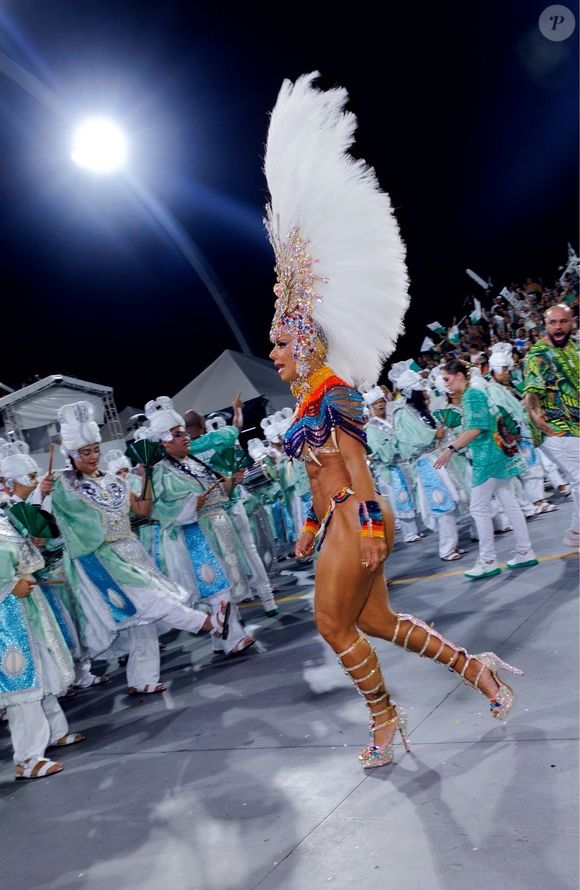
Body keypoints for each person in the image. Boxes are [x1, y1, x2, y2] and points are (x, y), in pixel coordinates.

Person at [265, 72, 523, 770]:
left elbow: (356, 469)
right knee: (376, 622)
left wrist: (368, 531)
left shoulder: (335, 392)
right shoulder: (306, 401)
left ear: (307, 342)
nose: (273, 350)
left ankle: (385, 720)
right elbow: (317, 475)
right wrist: (311, 527)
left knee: (330, 623)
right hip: (337, 524)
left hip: (359, 516)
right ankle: (480, 672)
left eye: (281, 341)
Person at [42, 400, 231, 695]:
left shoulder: (113, 482)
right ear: (71, 455)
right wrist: (41, 496)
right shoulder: (62, 485)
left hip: (131, 554)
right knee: (155, 601)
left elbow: (142, 509)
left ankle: (141, 679)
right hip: (101, 560)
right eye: (85, 452)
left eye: (95, 450)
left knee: (141, 620)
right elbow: (47, 523)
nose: (93, 457)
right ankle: (209, 623)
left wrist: (148, 478)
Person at [148, 397, 255, 656]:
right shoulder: (162, 472)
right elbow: (163, 509)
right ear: (164, 441)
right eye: (177, 435)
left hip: (216, 528)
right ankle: (232, 638)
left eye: (184, 433)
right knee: (217, 587)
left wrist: (233, 482)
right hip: (194, 535)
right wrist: (190, 505)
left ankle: (220, 641)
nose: (185, 438)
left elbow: (220, 493)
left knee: (222, 585)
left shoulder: (194, 462)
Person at [435, 360, 538, 578]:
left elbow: (476, 428)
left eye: (447, 378)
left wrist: (450, 449)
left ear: (460, 375)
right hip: (499, 452)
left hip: (487, 457)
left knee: (479, 508)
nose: (445, 383)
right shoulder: (478, 391)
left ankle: (488, 560)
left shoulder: (472, 395)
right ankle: (524, 550)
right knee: (509, 501)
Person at [185, 402, 278, 615]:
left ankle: (233, 609)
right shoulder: (219, 437)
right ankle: (268, 599)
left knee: (223, 558)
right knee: (249, 549)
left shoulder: (185, 452)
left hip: (209, 515)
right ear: (203, 423)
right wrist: (237, 409)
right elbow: (236, 426)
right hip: (233, 503)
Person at [524, 304, 579, 548]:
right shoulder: (538, 354)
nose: (558, 327)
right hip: (552, 427)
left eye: (562, 322)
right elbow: (532, 391)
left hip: (574, 425)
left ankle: (575, 533)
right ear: (545, 325)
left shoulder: (575, 348)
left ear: (572, 323)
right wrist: (535, 412)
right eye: (552, 322)